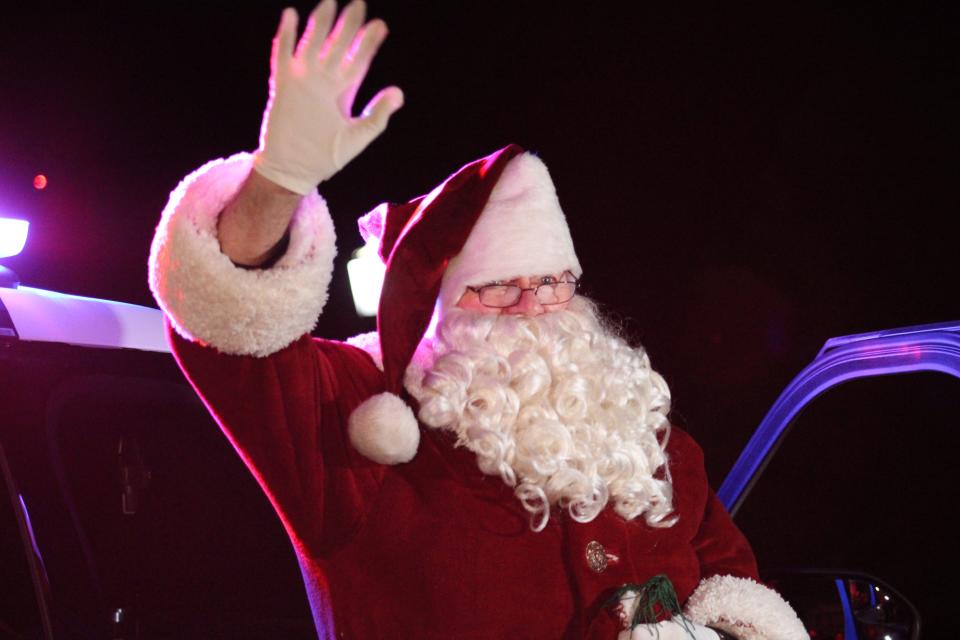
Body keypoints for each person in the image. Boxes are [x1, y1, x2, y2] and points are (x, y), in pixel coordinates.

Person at [148, 2, 808, 638]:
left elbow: (735, 587)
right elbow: (234, 339)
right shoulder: (358, 427)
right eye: (497, 289)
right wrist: (278, 179)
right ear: (437, 308)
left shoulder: (645, 442)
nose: (532, 306)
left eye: (551, 282)